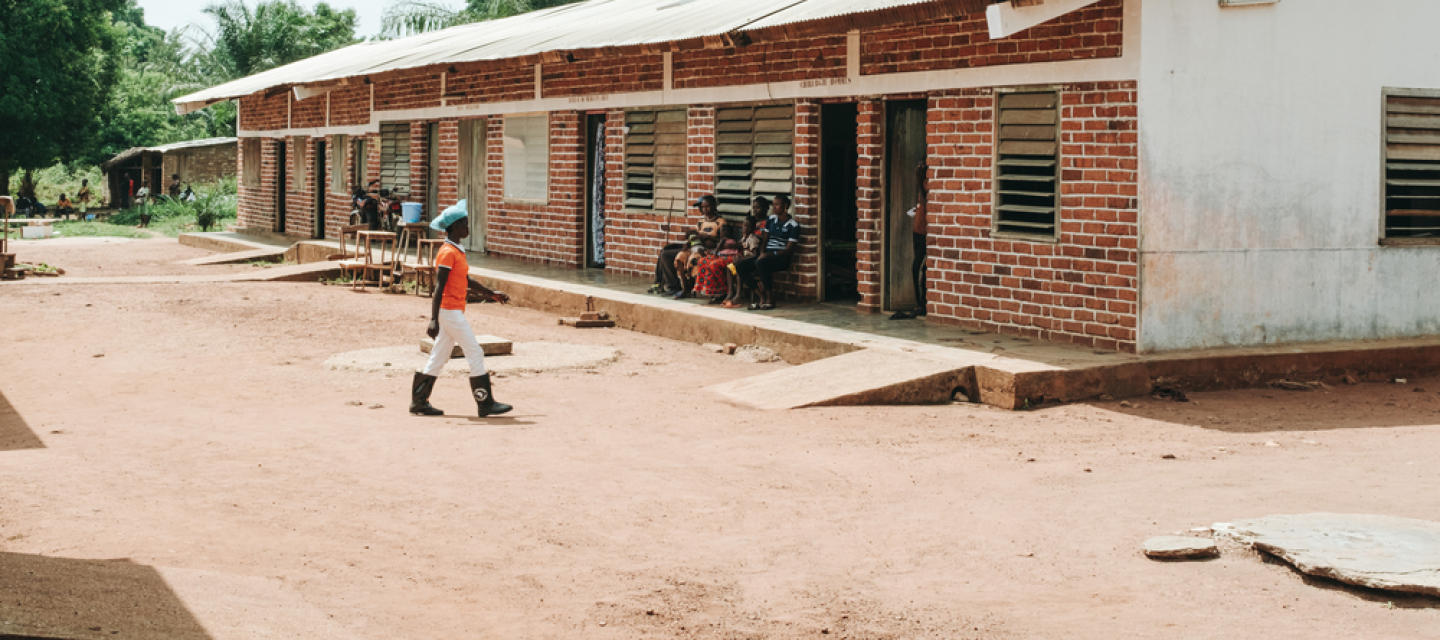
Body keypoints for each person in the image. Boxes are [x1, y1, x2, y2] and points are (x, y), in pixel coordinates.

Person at [410, 202, 514, 418]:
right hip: (449, 311)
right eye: (465, 224)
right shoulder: (448, 252)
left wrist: (490, 293)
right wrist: (433, 319)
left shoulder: (456, 250)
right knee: (475, 351)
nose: (468, 227)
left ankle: (419, 401)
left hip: (450, 310)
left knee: (439, 356)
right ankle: (485, 403)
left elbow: (464, 279)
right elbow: (438, 287)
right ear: (456, 226)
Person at [733, 194, 799, 310]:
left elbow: (788, 250)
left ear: (786, 206)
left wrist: (768, 255)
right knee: (740, 265)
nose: (774, 207)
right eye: (773, 205)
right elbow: (765, 240)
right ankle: (760, 296)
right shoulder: (771, 220)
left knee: (760, 263)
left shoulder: (793, 225)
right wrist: (763, 253)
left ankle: (770, 298)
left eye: (777, 205)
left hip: (781, 258)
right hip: (765, 256)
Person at [650, 195, 725, 296]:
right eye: (703, 207)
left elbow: (723, 240)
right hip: (694, 247)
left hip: (705, 250)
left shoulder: (721, 222)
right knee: (665, 254)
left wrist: (707, 237)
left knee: (691, 258)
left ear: (714, 206)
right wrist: (689, 241)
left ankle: (688, 287)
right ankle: (673, 286)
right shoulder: (701, 221)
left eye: (707, 207)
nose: (705, 210)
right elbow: (695, 235)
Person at [893, 162, 929, 320]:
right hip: (917, 231)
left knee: (919, 268)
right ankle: (919, 302)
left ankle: (922, 302)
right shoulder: (922, 186)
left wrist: (920, 183)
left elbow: (929, 206)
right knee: (917, 267)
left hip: (925, 232)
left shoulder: (927, 185)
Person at [721, 217, 764, 308]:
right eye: (744, 226)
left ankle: (739, 293)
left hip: (750, 262)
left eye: (748, 227)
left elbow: (755, 255)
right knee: (729, 267)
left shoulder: (753, 239)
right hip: (743, 260)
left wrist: (742, 259)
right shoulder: (744, 238)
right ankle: (731, 292)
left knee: (739, 268)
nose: (745, 228)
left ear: (753, 228)